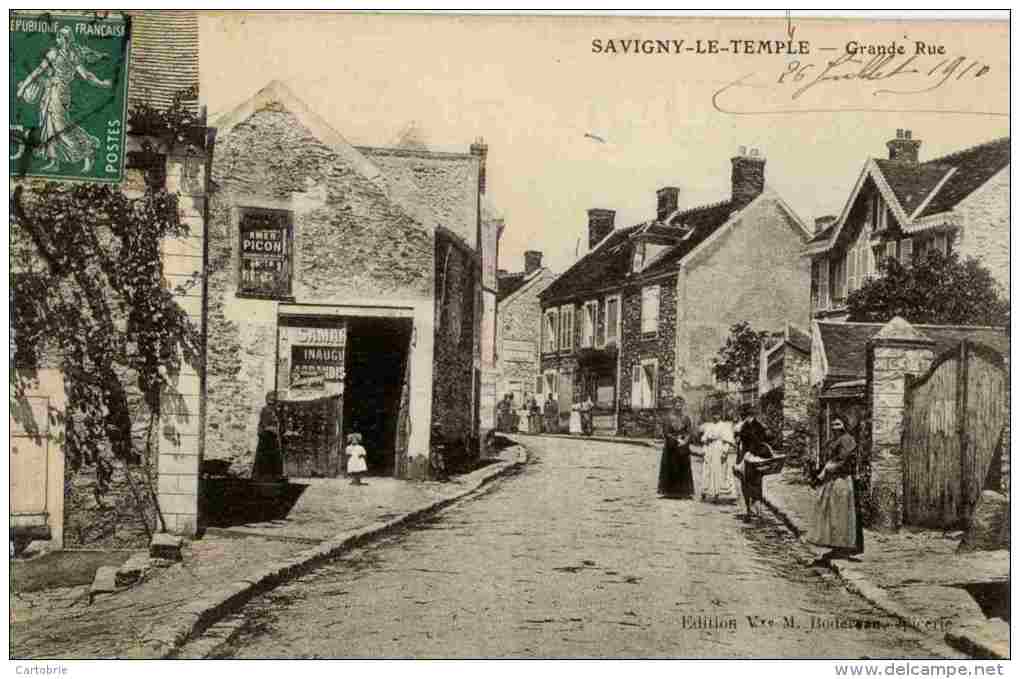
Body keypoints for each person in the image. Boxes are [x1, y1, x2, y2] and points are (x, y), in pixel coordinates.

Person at [16, 26, 112, 172]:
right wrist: (23, 88)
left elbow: (86, 75)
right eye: (58, 37)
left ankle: (88, 150)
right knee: (48, 126)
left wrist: (101, 83)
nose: (57, 40)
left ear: (65, 39)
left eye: (60, 37)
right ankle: (54, 161)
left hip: (60, 92)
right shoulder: (53, 53)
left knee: (61, 126)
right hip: (49, 92)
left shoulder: (73, 55)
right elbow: (37, 72)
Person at [808, 417, 862, 561]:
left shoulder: (847, 440)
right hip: (832, 479)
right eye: (833, 424)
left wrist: (824, 471)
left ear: (844, 425)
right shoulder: (834, 440)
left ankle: (843, 547)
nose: (835, 427)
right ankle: (835, 546)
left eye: (838, 424)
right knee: (832, 513)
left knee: (841, 513)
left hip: (841, 480)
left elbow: (842, 461)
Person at [734, 404, 773, 519]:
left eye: (746, 415)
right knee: (751, 483)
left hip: (752, 457)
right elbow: (739, 440)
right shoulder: (747, 426)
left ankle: (753, 508)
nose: (746, 417)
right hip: (749, 457)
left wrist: (748, 449)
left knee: (751, 483)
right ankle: (752, 508)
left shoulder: (755, 426)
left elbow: (761, 439)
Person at [657, 398, 695, 499]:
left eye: (680, 404)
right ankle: (670, 491)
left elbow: (689, 432)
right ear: (673, 405)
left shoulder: (686, 418)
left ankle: (683, 491)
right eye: (676, 404)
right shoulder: (668, 418)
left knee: (683, 468)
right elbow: (666, 432)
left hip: (683, 448)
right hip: (672, 447)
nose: (678, 406)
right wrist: (676, 440)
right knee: (671, 467)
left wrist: (685, 441)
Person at [698, 406, 736, 501]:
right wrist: (704, 448)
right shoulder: (709, 426)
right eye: (714, 414)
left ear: (720, 415)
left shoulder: (724, 426)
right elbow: (704, 438)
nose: (716, 416)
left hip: (718, 448)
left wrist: (725, 452)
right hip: (709, 448)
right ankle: (705, 491)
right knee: (707, 470)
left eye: (718, 414)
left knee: (718, 471)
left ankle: (717, 493)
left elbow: (727, 440)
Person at [252, 391, 285, 480]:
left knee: (273, 456)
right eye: (270, 399)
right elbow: (265, 425)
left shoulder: (275, 411)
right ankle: (263, 475)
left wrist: (278, 429)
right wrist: (274, 429)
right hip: (266, 437)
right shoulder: (265, 410)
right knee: (264, 457)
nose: (272, 401)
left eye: (273, 399)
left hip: (272, 438)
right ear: (267, 400)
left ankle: (273, 475)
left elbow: (277, 423)